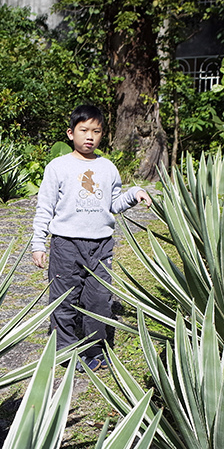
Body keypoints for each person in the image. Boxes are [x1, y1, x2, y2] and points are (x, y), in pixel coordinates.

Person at [31, 105, 151, 371]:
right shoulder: (58, 167)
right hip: (65, 245)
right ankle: (66, 350)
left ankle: (93, 349)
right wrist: (38, 243)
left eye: (96, 131)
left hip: (100, 244)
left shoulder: (107, 167)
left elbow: (114, 203)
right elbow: (45, 207)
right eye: (83, 130)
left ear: (102, 135)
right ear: (70, 133)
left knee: (98, 300)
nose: (89, 136)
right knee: (64, 299)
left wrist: (134, 195)